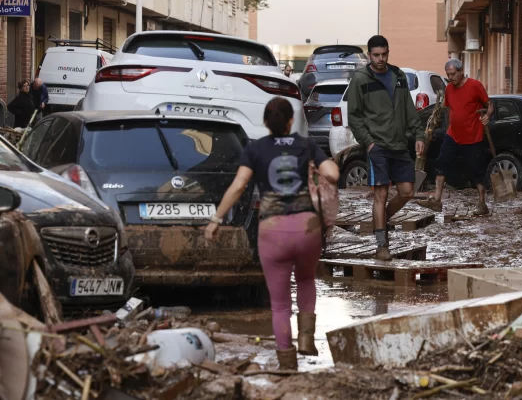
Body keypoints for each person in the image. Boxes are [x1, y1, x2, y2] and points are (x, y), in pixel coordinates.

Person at [204, 97, 339, 371]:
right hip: (306, 228)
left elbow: (239, 185)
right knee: (305, 280)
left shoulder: (255, 149)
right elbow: (333, 174)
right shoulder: (306, 144)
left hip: (272, 231)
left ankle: (287, 362)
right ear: (291, 122)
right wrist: (315, 168)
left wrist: (216, 219)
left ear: (266, 122)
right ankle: (305, 338)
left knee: (278, 304)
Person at [347, 35, 425, 261]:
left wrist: (418, 134)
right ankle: (382, 245)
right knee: (380, 194)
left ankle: (381, 219)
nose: (381, 59)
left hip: (399, 144)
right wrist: (368, 142)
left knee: (407, 192)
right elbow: (354, 116)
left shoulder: (399, 76)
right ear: (369, 55)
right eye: (376, 55)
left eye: (384, 54)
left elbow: (409, 108)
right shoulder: (360, 79)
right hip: (377, 146)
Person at [416, 58, 493, 215]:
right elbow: (450, 110)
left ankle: (482, 204)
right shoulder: (449, 89)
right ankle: (437, 200)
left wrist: (488, 115)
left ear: (461, 71)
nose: (450, 78)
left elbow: (489, 104)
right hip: (453, 136)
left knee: (476, 171)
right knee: (441, 164)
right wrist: (448, 127)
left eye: (452, 74)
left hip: (473, 136)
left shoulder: (475, 86)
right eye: (448, 74)